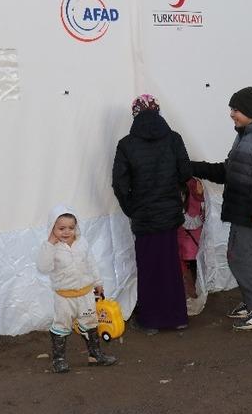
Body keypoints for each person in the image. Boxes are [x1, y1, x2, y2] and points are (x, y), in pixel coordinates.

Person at [190, 86, 252, 330]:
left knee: (239, 257)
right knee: (237, 256)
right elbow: (229, 171)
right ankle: (251, 302)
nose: (232, 114)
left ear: (250, 111)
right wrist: (194, 167)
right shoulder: (245, 134)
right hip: (241, 208)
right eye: (232, 109)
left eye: (236, 110)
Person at [112, 94, 192, 334]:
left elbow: (119, 184)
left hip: (144, 217)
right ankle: (178, 317)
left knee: (148, 267)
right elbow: (185, 171)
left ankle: (151, 321)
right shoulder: (173, 138)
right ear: (158, 111)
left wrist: (131, 208)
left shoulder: (126, 144)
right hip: (169, 215)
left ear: (135, 114)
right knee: (171, 266)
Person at [36, 205, 117, 373]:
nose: (66, 232)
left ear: (76, 227)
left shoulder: (82, 243)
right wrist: (50, 243)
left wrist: (98, 282)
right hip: (64, 297)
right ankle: (59, 360)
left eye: (71, 228)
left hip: (85, 294)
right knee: (62, 325)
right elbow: (43, 267)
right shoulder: (50, 248)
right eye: (61, 228)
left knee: (90, 323)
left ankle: (95, 355)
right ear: (52, 228)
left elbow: (91, 264)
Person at [177, 178, 205, 299]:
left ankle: (189, 291)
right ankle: (189, 292)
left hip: (187, 240)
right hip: (185, 240)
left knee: (188, 264)